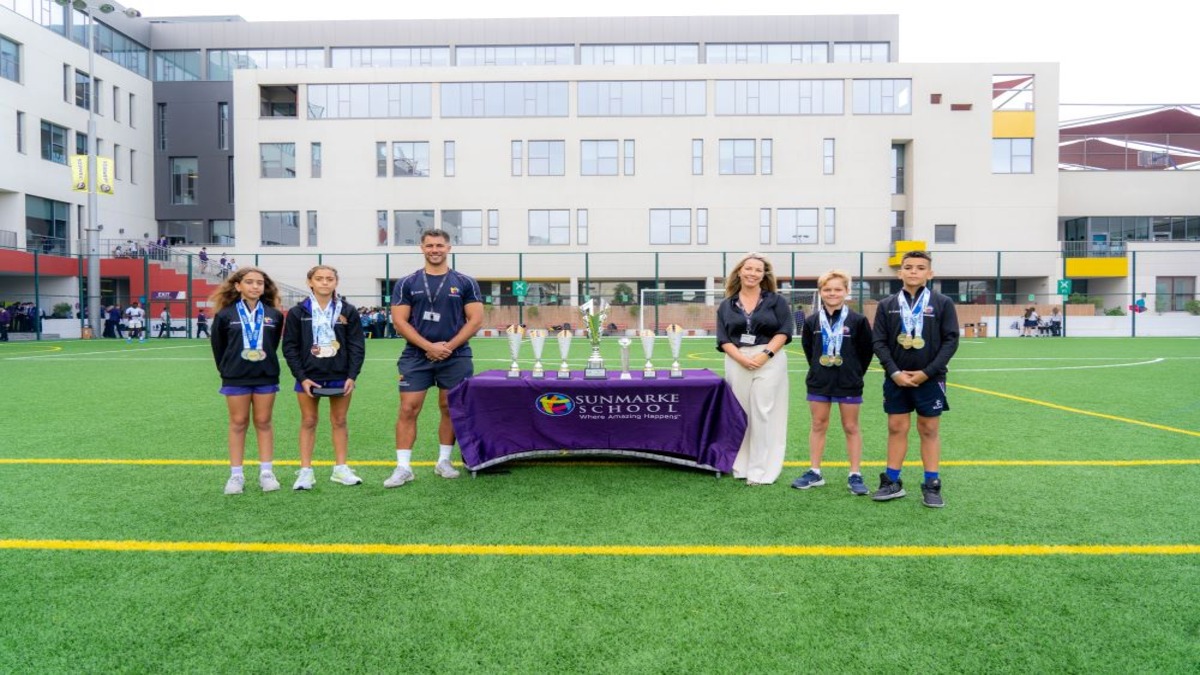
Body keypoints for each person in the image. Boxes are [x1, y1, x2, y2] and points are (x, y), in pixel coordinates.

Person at [386, 229, 484, 487]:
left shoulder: (465, 282)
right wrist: (429, 346)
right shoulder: (407, 283)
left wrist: (447, 347)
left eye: (439, 245)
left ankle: (444, 461)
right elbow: (399, 322)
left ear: (448, 248)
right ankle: (403, 467)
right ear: (422, 248)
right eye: (429, 245)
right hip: (416, 355)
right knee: (408, 408)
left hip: (456, 355)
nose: (434, 250)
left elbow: (475, 320)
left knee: (449, 407)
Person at [870, 250, 959, 508]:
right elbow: (879, 342)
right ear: (900, 273)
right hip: (896, 378)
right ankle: (892, 481)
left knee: (929, 429)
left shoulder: (943, 303)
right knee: (896, 427)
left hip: (930, 378)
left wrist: (927, 373)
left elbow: (951, 341)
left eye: (920, 268)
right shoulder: (887, 305)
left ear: (930, 273)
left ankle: (931, 484)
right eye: (908, 267)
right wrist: (894, 372)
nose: (914, 272)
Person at [281, 265, 367, 490]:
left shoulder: (347, 310)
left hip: (340, 376)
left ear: (336, 282)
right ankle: (305, 472)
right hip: (308, 377)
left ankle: (341, 469)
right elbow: (289, 347)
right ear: (310, 282)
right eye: (319, 279)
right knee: (308, 421)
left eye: (330, 279)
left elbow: (357, 345)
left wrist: (352, 375)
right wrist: (301, 377)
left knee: (339, 421)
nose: (325, 282)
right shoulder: (298, 312)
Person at [790, 270, 874, 495]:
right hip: (819, 381)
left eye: (838, 289)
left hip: (848, 381)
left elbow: (866, 352)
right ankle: (815, 472)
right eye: (827, 289)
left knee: (851, 426)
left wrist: (854, 373)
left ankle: (855, 474)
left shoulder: (858, 320)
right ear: (820, 292)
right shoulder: (811, 321)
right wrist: (819, 370)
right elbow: (809, 350)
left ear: (846, 291)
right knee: (818, 424)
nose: (832, 293)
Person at [715, 252, 793, 486]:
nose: (752, 273)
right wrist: (741, 358)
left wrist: (765, 355)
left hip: (769, 359)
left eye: (758, 270)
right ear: (739, 271)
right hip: (737, 359)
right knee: (740, 413)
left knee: (762, 412)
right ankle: (741, 466)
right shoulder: (727, 304)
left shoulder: (776, 301)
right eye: (748, 268)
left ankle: (760, 470)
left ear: (764, 275)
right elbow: (723, 338)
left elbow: (784, 331)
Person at [210, 267, 285, 495]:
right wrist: (228, 370)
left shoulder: (274, 315)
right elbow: (218, 348)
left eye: (259, 283)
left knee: (264, 421)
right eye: (250, 282)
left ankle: (266, 473)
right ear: (238, 286)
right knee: (238, 422)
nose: (255, 286)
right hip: (235, 376)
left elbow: (272, 345)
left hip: (266, 375)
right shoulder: (225, 315)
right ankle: (236, 476)